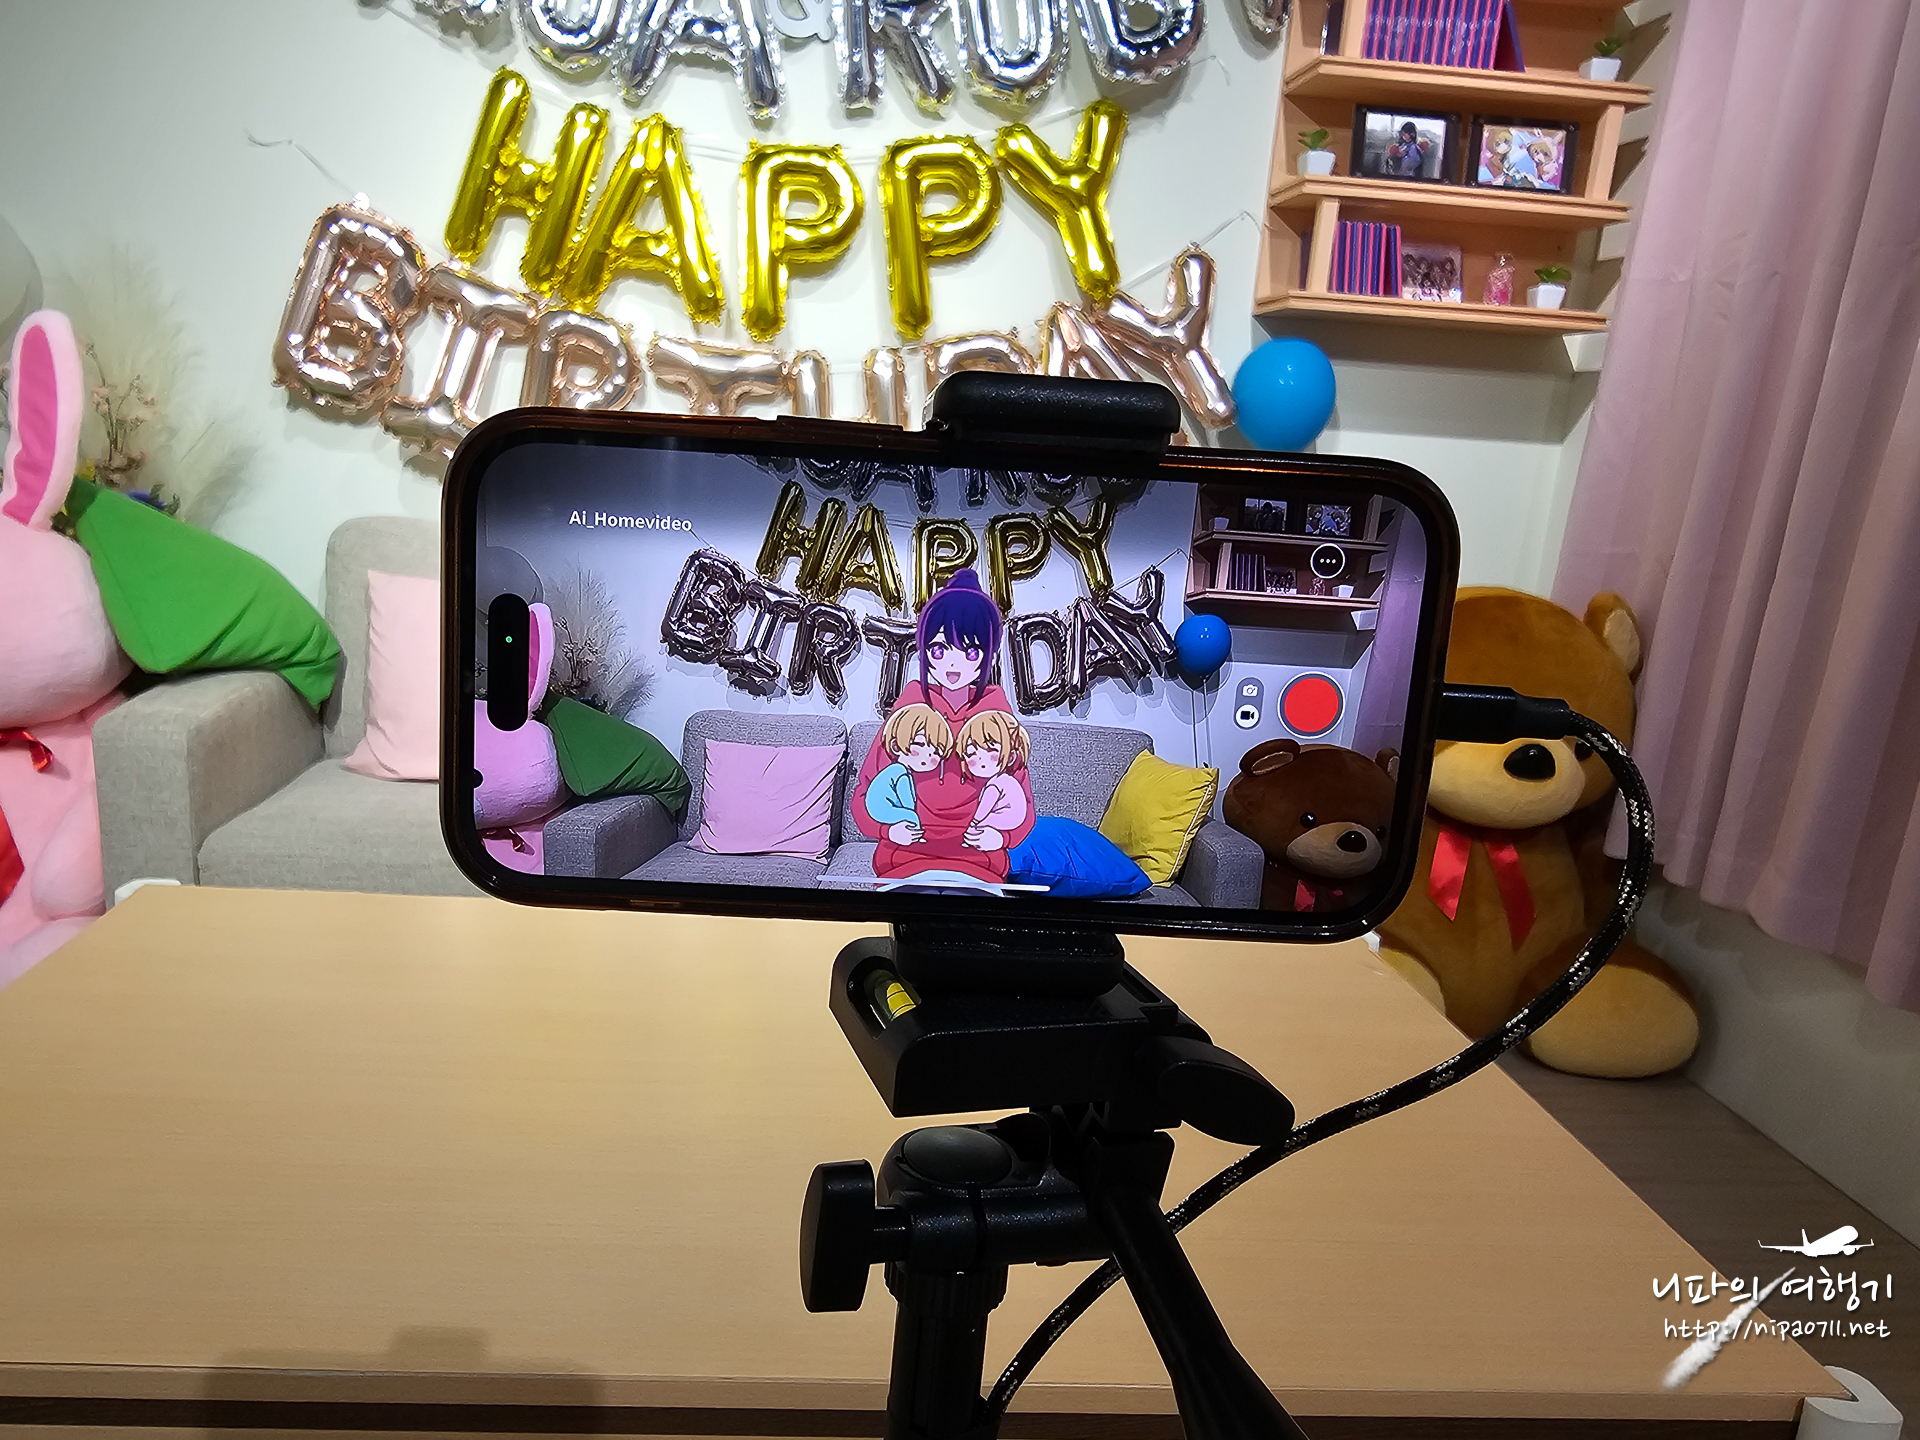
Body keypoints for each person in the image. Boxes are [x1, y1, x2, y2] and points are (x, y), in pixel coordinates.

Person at [850, 569, 1038, 885]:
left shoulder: (998, 723)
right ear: (923, 649)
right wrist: (887, 830)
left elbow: (1022, 803)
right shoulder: (906, 717)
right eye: (939, 650)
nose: (953, 664)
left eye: (971, 651)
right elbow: (865, 794)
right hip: (902, 862)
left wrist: (1002, 837)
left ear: (989, 656)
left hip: (981, 866)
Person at [863, 703, 952, 844]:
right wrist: (910, 811)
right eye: (920, 744)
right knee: (911, 816)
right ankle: (916, 837)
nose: (928, 754)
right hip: (880, 809)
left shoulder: (899, 770)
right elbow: (907, 799)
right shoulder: (900, 772)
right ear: (896, 746)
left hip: (882, 807)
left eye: (936, 751)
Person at [958, 709, 1031, 853]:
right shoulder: (1001, 780)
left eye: (990, 751)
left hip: (1006, 818)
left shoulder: (996, 784)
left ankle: (971, 839)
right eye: (972, 753)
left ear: (1010, 758)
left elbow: (985, 806)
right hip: (1009, 817)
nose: (981, 759)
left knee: (977, 828)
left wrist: (975, 823)